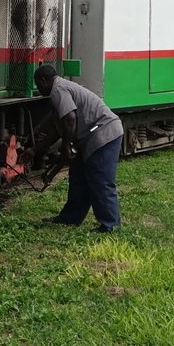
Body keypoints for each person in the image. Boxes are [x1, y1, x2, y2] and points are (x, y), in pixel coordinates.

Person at [34, 64, 124, 232]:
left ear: (43, 80)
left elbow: (70, 118)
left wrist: (66, 146)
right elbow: (57, 129)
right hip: (89, 136)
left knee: (100, 180)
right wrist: (34, 150)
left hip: (103, 132)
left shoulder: (58, 90)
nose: (38, 89)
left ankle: (110, 225)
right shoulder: (61, 88)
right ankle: (70, 218)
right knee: (78, 178)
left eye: (38, 85)